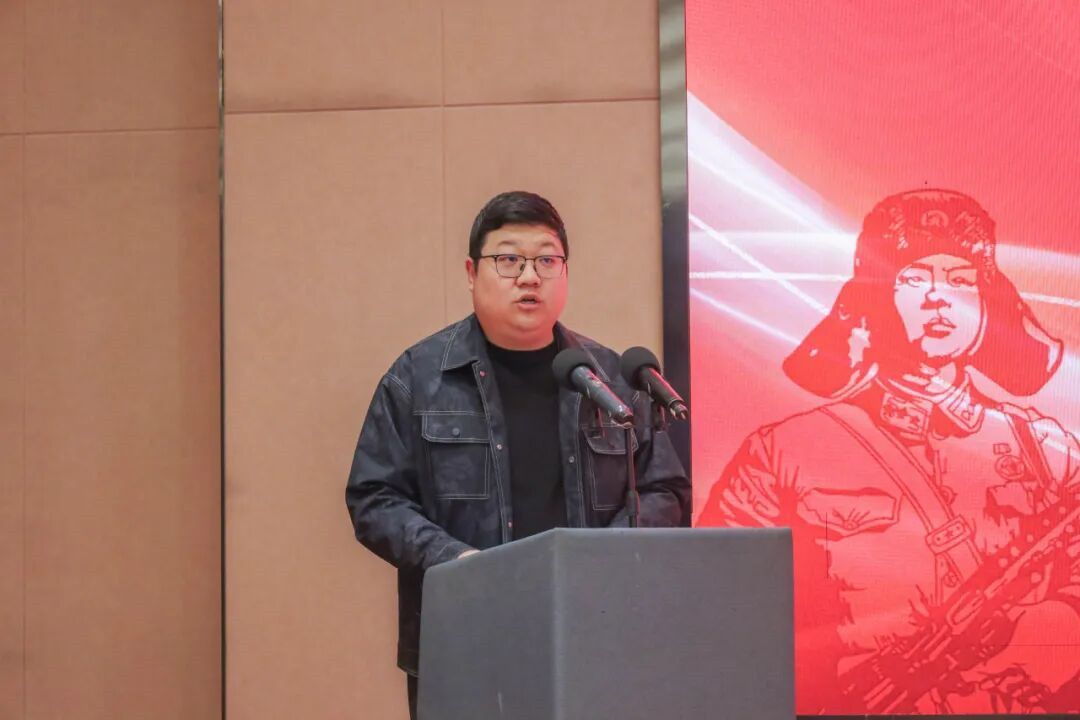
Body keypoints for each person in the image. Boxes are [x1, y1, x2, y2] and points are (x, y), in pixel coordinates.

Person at [699, 189, 1079, 714]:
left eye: (961, 279)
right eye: (914, 279)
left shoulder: (1047, 451)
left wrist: (1046, 636)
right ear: (875, 297)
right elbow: (717, 602)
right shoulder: (781, 452)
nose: (939, 298)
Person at [346, 190, 690, 719]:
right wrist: (457, 563)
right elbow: (375, 498)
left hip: (592, 633)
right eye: (509, 260)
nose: (530, 277)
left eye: (547, 261)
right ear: (472, 272)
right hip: (466, 638)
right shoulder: (418, 377)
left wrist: (601, 558)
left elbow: (665, 489)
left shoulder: (610, 379)